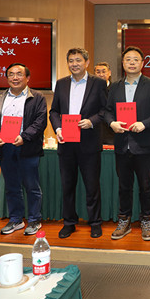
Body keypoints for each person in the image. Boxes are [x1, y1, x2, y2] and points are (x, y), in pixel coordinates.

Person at [104, 46, 150, 241]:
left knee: (145, 186)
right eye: (128, 59)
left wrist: (144, 124)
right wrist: (112, 123)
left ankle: (146, 221)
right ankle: (124, 220)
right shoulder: (115, 86)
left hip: (144, 145)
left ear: (142, 63)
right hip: (122, 144)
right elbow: (107, 111)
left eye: (135, 59)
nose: (131, 62)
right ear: (123, 63)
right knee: (124, 186)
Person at [49, 48, 107, 239]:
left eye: (78, 60)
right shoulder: (61, 83)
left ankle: (95, 223)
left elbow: (105, 110)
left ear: (87, 62)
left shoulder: (98, 83)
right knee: (67, 185)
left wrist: (91, 121)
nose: (74, 64)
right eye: (71, 61)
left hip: (89, 142)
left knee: (92, 186)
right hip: (66, 142)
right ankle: (69, 222)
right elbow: (54, 111)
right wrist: (58, 128)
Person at [0, 63, 47, 236]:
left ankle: (34, 220)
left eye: (19, 74)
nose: (15, 78)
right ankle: (16, 219)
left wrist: (25, 137)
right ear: (7, 78)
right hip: (5, 147)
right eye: (11, 74)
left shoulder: (37, 97)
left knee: (31, 186)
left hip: (27, 147)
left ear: (27, 78)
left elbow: (40, 122)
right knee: (12, 186)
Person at [94, 62, 115, 145]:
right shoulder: (90, 90)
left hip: (111, 132)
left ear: (109, 73)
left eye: (104, 71)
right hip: (94, 131)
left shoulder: (115, 88)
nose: (101, 74)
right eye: (98, 72)